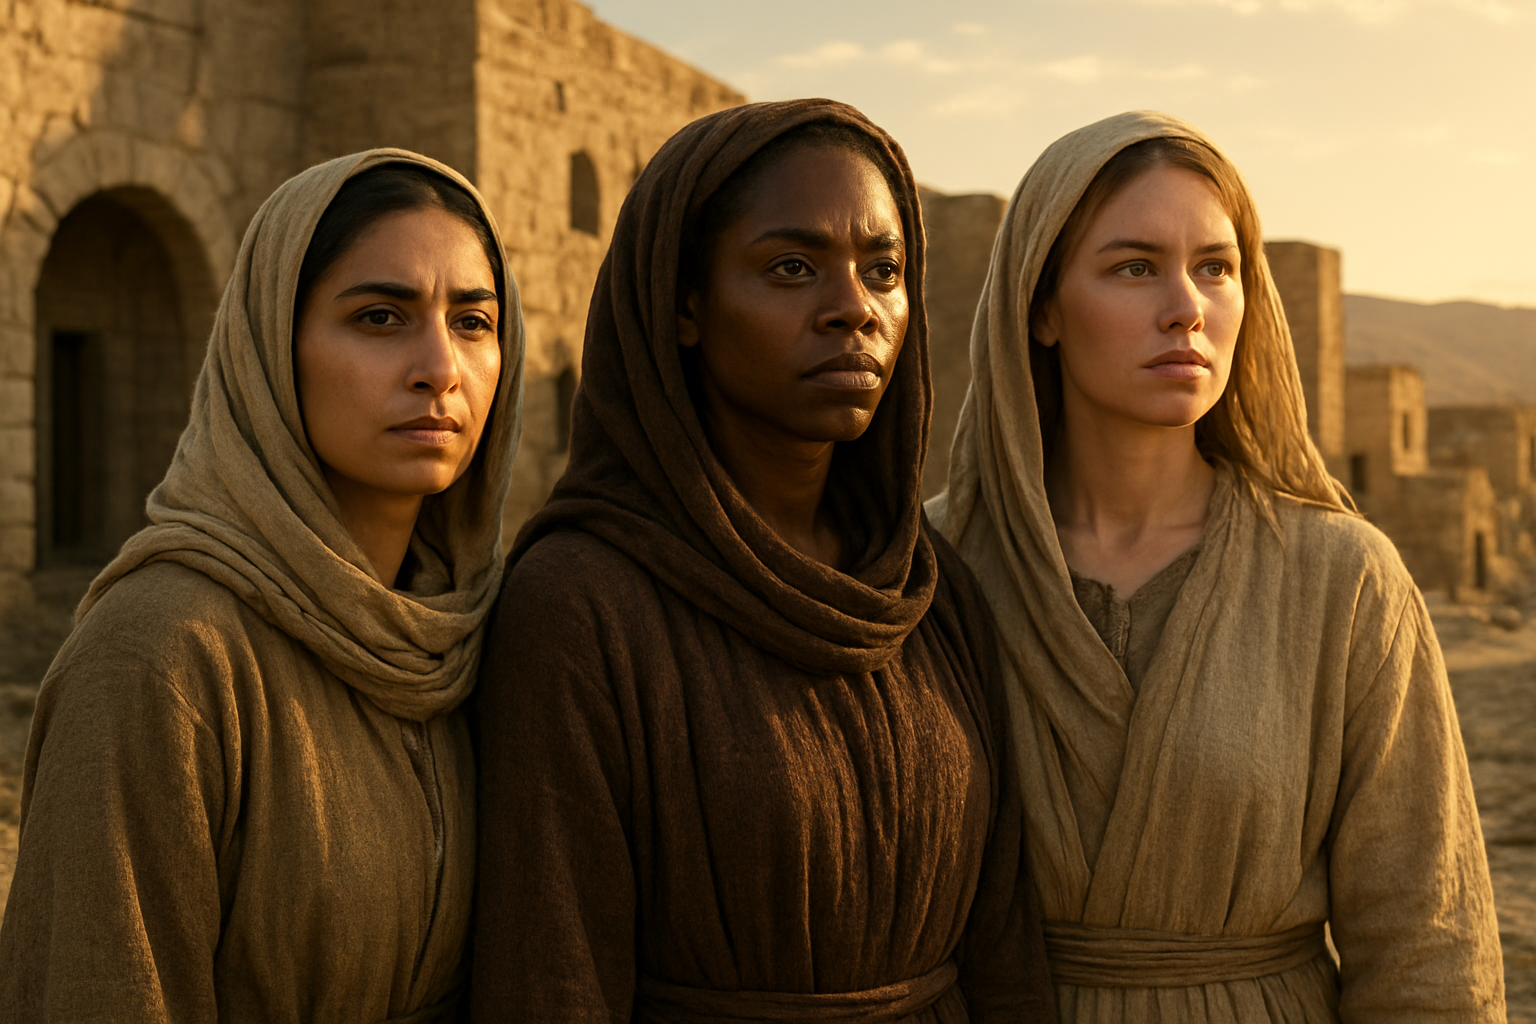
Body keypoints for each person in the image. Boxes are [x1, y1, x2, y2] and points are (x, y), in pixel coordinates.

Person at [470, 99, 1056, 1021]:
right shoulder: (582, 605)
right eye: (792, 268)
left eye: (884, 271)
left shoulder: (927, 592)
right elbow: (552, 974)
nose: (854, 310)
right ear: (685, 306)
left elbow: (1005, 951)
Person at [928, 109, 1506, 1020]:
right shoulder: (935, 572)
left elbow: (1426, 947)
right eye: (1133, 267)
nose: (1186, 308)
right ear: (1040, 306)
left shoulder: (1342, 580)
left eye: (1216, 268)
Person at [0, 149, 524, 1022]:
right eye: (380, 317)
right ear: (271, 348)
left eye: (473, 321)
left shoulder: (472, 631)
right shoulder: (162, 655)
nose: (441, 367)